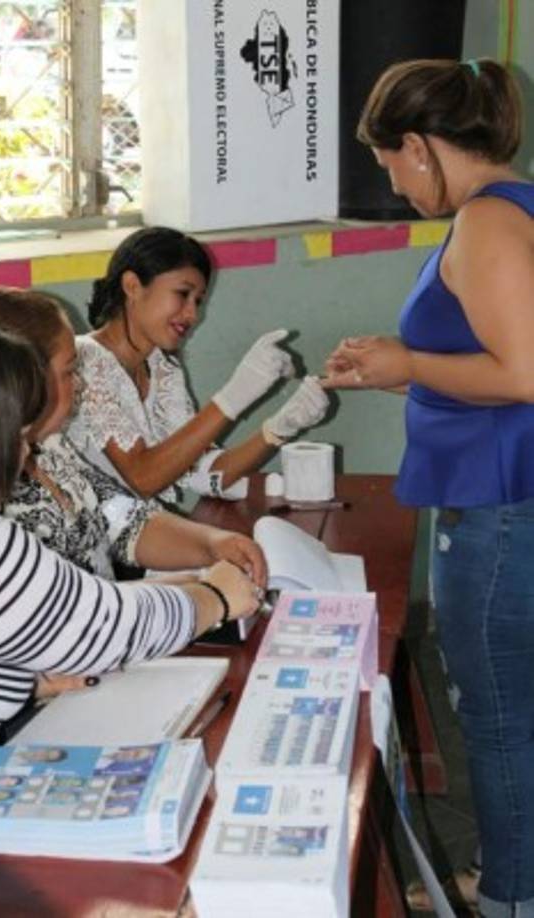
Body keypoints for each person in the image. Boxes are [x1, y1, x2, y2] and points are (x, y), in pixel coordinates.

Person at [0, 314, 261, 857]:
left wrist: (20, 681)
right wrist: (215, 598)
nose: (29, 451)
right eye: (19, 434)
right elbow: (105, 629)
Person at [324, 58, 534, 917]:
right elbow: (488, 367)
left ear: (417, 144)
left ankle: (512, 897)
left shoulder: (486, 221)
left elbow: (524, 373)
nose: (399, 187)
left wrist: (408, 361)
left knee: (492, 719)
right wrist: (400, 375)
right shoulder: (510, 211)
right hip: (504, 490)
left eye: (391, 167)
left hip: (498, 510)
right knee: (507, 710)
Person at [0, 287, 267, 588]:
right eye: (69, 371)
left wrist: (214, 543)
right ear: (24, 380)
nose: (79, 384)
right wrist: (199, 594)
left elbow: (123, 519)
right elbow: (64, 610)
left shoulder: (51, 447)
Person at [66, 226, 330, 501]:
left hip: (147, 531)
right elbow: (143, 479)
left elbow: (202, 472)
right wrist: (234, 395)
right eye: (182, 293)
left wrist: (279, 428)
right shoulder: (83, 360)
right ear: (132, 286)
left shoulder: (162, 368)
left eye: (198, 300)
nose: (192, 313)